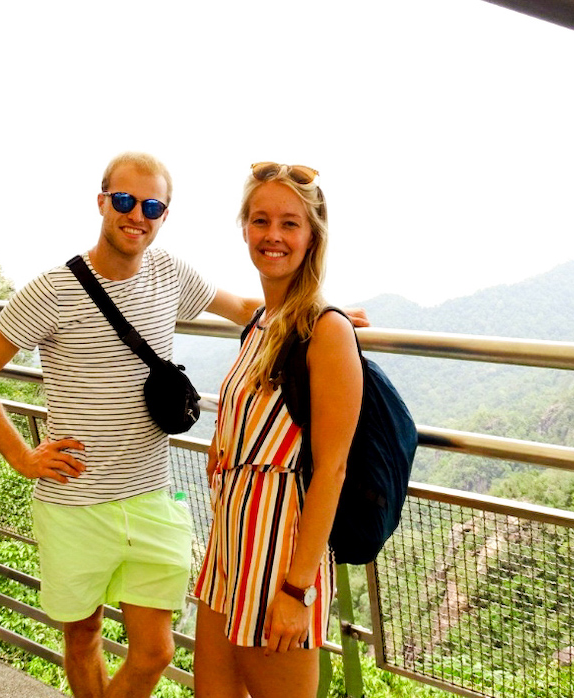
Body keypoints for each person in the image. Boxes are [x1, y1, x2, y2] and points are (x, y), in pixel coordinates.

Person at [0, 152, 267, 698]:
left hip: (149, 496)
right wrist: (21, 457)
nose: (136, 215)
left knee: (156, 653)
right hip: (75, 502)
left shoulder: (169, 272)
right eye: (124, 201)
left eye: (151, 206)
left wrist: (321, 311)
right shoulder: (52, 289)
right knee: (85, 637)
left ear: (165, 214)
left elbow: (243, 307)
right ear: (101, 201)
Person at [192, 163, 364, 698]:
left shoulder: (325, 330)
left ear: (313, 236)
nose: (273, 235)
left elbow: (332, 469)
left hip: (278, 553)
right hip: (229, 544)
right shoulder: (262, 323)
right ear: (244, 228)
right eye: (261, 219)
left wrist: (297, 588)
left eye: (290, 223)